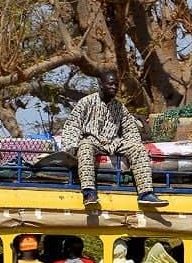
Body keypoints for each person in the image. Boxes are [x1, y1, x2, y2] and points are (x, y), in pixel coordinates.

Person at [60, 70, 167, 208]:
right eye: (111, 84)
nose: (114, 87)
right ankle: (89, 192)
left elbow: (130, 129)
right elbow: (72, 125)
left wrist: (133, 144)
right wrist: (71, 145)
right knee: (85, 147)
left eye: (116, 85)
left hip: (114, 142)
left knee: (139, 149)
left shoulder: (120, 107)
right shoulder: (86, 102)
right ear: (101, 84)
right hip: (92, 140)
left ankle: (146, 194)